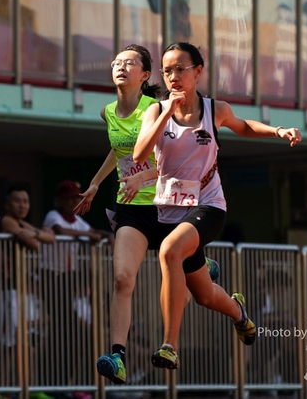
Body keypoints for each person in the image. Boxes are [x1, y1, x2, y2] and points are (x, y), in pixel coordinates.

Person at [133, 41, 302, 369]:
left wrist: (278, 130)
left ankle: (169, 345)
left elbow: (243, 126)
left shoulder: (215, 110)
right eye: (166, 71)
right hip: (170, 210)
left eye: (180, 69)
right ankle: (239, 313)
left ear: (198, 71)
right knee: (205, 295)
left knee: (169, 251)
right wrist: (166, 112)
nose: (173, 76)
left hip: (208, 205)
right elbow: (140, 155)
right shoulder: (155, 111)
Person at [74, 44, 220, 384]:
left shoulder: (158, 108)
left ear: (145, 74)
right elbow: (119, 148)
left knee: (185, 287)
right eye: (117, 62)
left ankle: (200, 270)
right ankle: (118, 355)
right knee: (122, 277)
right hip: (131, 210)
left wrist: (144, 176)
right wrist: (96, 182)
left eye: (130, 62)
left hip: (168, 204)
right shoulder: (108, 112)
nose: (121, 66)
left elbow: (180, 158)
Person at [0, 185, 55, 399]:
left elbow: (51, 238)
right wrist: (36, 235)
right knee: (5, 344)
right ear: (7, 204)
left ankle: (18, 390)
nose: (22, 205)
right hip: (0, 290)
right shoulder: (7, 221)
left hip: (11, 290)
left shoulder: (19, 222)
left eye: (25, 201)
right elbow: (36, 245)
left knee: (16, 344)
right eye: (17, 201)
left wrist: (34, 232)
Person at [43, 179, 114, 246]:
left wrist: (109, 235)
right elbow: (60, 231)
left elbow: (94, 231)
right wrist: (89, 235)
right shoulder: (53, 215)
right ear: (60, 201)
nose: (76, 201)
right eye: (71, 198)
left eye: (78, 197)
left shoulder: (76, 219)